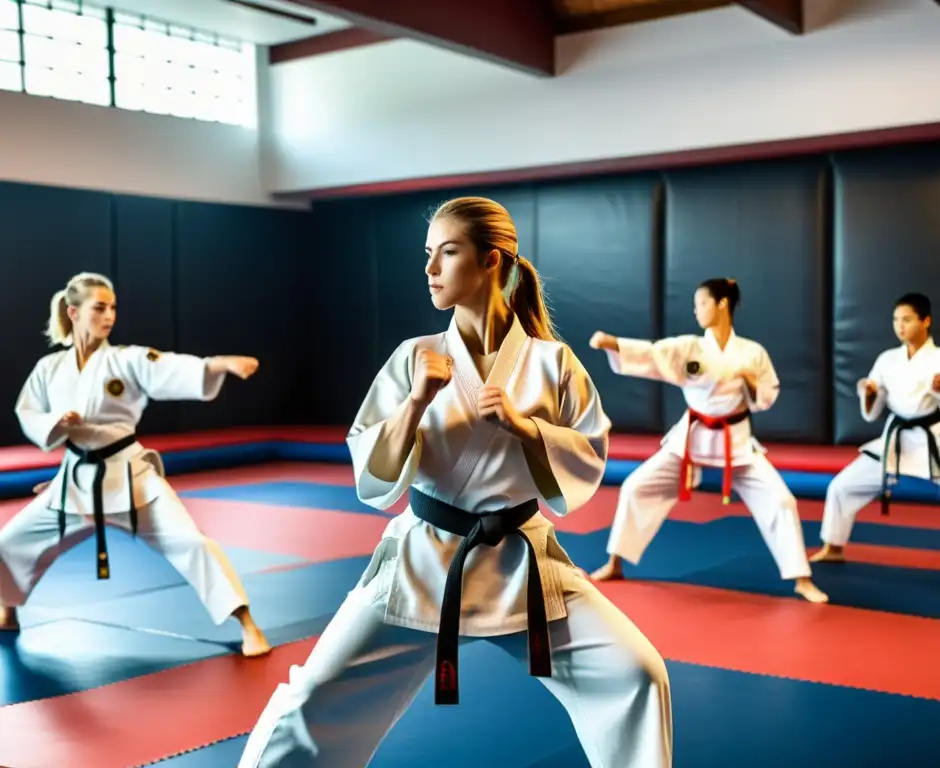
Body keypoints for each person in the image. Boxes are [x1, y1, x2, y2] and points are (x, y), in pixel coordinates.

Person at [237, 197, 672, 768]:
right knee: (313, 697)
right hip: (423, 561)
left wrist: (525, 428)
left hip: (523, 563)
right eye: (428, 254)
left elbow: (589, 454)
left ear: (492, 261)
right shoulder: (415, 357)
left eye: (447, 252)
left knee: (637, 674)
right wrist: (416, 401)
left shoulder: (552, 362)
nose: (430, 269)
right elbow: (370, 464)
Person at [0, 272, 272, 656]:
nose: (109, 315)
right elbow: (27, 411)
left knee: (191, 543)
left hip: (131, 477)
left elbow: (166, 368)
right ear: (74, 312)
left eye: (113, 307)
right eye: (99, 307)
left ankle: (248, 625)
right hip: (76, 481)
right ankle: (7, 608)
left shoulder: (126, 359)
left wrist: (216, 365)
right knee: (11, 542)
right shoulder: (49, 369)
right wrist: (55, 425)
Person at [588, 278, 829, 604]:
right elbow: (654, 352)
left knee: (781, 501)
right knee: (635, 486)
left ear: (722, 305)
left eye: (701, 303)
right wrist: (614, 343)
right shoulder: (690, 347)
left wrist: (750, 380)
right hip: (692, 438)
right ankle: (615, 563)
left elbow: (767, 395)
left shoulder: (752, 352)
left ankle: (802, 578)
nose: (696, 310)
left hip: (736, 441)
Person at [811, 293, 940, 584]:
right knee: (841, 486)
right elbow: (873, 409)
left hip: (934, 440)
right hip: (895, 441)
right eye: (896, 320)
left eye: (907, 319)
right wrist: (871, 394)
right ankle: (833, 546)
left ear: (926, 321)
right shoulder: (887, 359)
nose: (900, 326)